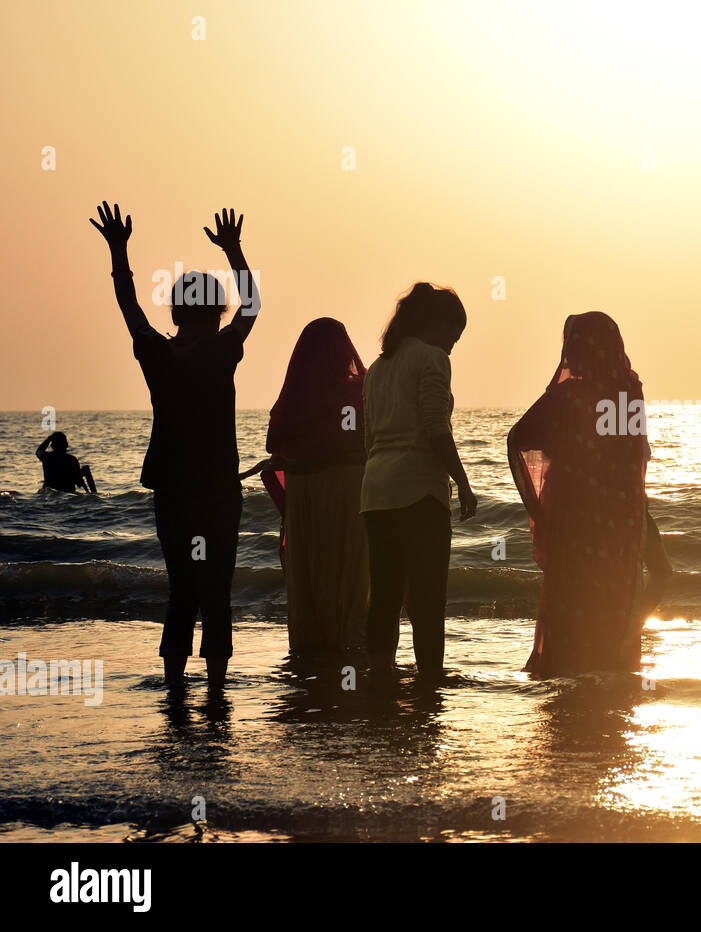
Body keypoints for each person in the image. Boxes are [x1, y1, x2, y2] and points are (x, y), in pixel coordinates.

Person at [91, 203, 261, 688]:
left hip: (172, 490)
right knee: (216, 590)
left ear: (176, 311)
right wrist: (234, 249)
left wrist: (119, 248)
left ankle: (173, 683)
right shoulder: (223, 350)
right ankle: (215, 687)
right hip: (218, 491)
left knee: (181, 589)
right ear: (217, 311)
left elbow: (129, 306)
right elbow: (252, 306)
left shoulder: (157, 352)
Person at [507, 312, 658, 676]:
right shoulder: (628, 392)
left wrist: (540, 510)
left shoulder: (565, 397)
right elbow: (635, 458)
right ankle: (612, 683)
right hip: (619, 522)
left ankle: (568, 688)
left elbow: (518, 439)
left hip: (573, 522)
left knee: (572, 601)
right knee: (615, 597)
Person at [360, 283, 476, 678]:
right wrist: (461, 481)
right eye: (451, 335)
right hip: (419, 492)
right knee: (427, 600)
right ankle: (429, 682)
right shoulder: (431, 360)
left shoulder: (376, 369)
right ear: (434, 324)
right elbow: (435, 428)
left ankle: (379, 678)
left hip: (376, 493)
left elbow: (368, 440)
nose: (452, 346)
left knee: (385, 596)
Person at [262, 318, 369, 658]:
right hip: (350, 492)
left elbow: (274, 443)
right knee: (351, 571)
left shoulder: (296, 396)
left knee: (311, 572)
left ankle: (313, 653)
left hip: (305, 494)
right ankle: (352, 648)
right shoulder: (359, 392)